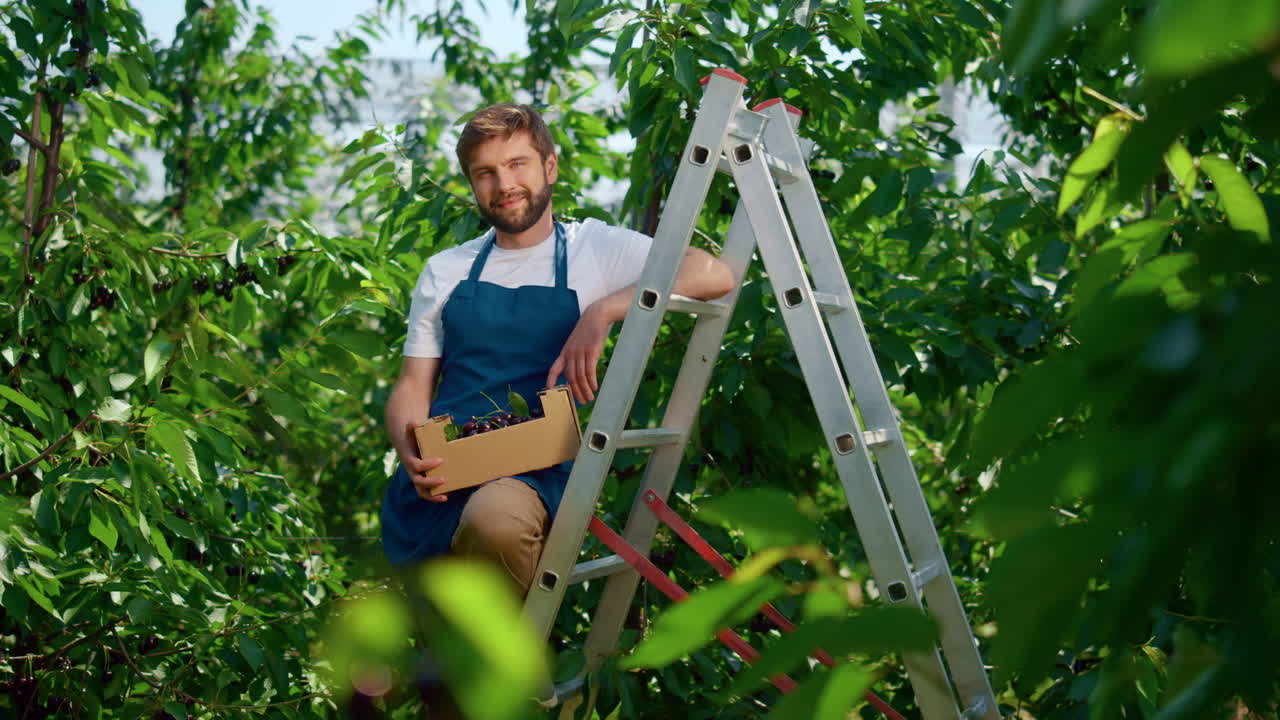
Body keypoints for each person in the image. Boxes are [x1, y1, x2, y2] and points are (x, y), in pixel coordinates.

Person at [380, 103, 735, 596]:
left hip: (534, 472)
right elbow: (412, 386)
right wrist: (409, 447)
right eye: (485, 173)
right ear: (471, 183)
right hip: (446, 472)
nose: (503, 184)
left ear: (549, 166)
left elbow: (714, 273)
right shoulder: (447, 269)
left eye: (516, 164)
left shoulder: (595, 249)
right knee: (422, 657)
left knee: (495, 524)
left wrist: (605, 309)